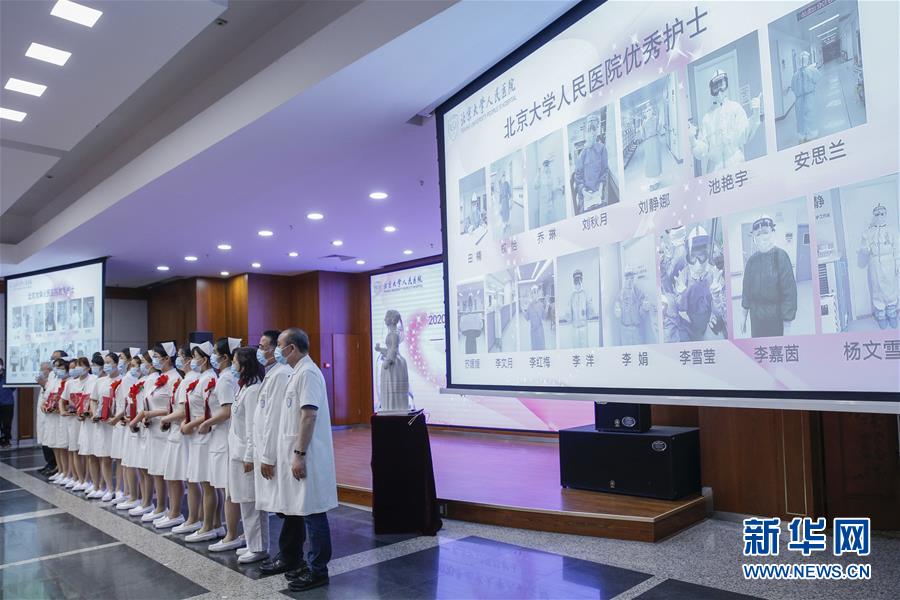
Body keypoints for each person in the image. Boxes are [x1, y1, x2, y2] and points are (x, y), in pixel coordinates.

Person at [272, 328, 338, 593]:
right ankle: (310, 565)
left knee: (313, 512)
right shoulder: (297, 372)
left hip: (307, 454)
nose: (277, 350)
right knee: (305, 510)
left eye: (279, 345)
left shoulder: (308, 372)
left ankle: (318, 570)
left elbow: (309, 415)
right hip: (299, 453)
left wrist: (299, 454)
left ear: (292, 348)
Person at [254, 330, 295, 575]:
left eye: (264, 346)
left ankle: (290, 556)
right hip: (269, 449)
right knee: (282, 506)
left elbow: (274, 419)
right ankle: (288, 554)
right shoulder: (272, 373)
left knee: (286, 507)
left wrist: (267, 456)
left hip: (278, 452)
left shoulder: (280, 375)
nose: (260, 351)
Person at [229, 346, 270, 564]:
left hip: (247, 454)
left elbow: (253, 427)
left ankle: (259, 547)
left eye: (235, 361)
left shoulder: (254, 390)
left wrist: (249, 455)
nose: (232, 365)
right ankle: (251, 543)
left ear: (244, 364)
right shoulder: (244, 388)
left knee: (251, 501)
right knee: (244, 500)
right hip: (237, 451)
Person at [182, 341, 224, 542]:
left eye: (195, 357)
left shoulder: (210, 379)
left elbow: (210, 410)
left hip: (204, 436)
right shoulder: (201, 378)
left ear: (205, 359)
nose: (192, 360)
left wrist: (191, 424)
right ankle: (215, 524)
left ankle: (208, 526)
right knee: (207, 482)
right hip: (198, 435)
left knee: (208, 484)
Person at [158, 344, 202, 532]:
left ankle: (186, 516)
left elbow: (183, 411)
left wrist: (165, 418)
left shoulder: (189, 379)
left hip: (182, 432)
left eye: (181, 356)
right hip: (177, 432)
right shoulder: (186, 379)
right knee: (174, 475)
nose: (179, 359)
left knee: (184, 477)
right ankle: (175, 513)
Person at [204, 337, 241, 552]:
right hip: (222, 437)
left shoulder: (226, 379)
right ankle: (226, 530)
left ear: (225, 357)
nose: (212, 357)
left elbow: (226, 412)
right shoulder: (228, 377)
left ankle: (231, 534)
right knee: (226, 488)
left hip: (224, 437)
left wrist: (205, 423)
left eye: (215, 353)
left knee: (229, 490)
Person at [140, 344, 182, 524]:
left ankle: (174, 511)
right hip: (154, 429)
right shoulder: (159, 378)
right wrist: (146, 416)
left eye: (156, 356)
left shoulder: (175, 379)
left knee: (169, 473)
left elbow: (176, 407)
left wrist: (153, 414)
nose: (154, 360)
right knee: (156, 470)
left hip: (166, 430)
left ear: (167, 358)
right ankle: (160, 507)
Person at [689, 69, 762, 174]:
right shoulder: (707, 118)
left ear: (726, 85)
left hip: (736, 164)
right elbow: (703, 150)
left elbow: (745, 134)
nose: (719, 90)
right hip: (714, 170)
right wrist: (693, 140)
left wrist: (756, 114)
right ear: (711, 90)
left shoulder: (735, 108)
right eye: (716, 86)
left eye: (722, 84)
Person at [741, 215, 798, 337]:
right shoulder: (752, 261)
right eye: (758, 234)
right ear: (754, 238)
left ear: (773, 232)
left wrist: (787, 325)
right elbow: (746, 290)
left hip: (775, 318)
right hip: (756, 319)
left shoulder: (781, 257)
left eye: (765, 232)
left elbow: (789, 293)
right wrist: (743, 315)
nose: (762, 237)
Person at [860, 203, 899, 329]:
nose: (879, 216)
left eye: (882, 213)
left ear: (885, 214)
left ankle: (892, 314)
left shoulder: (892, 230)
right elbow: (865, 251)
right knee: (877, 288)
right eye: (877, 214)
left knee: (890, 287)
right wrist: (864, 241)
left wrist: (897, 263)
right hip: (875, 262)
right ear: (874, 215)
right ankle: (881, 315)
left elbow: (897, 247)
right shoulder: (869, 232)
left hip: (889, 261)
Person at [93, 351, 121, 502]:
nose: (106, 365)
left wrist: (116, 417)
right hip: (103, 424)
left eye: (109, 362)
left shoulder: (123, 380)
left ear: (117, 363)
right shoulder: (100, 381)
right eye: (105, 363)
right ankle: (109, 489)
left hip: (117, 424)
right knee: (105, 457)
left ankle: (120, 489)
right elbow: (93, 400)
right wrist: (94, 413)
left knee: (119, 458)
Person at [374, 310, 410, 412]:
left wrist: (388, 361)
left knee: (393, 386)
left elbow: (393, 350)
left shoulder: (394, 335)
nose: (384, 319)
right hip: (393, 361)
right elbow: (390, 350)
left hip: (394, 363)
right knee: (391, 386)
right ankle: (390, 406)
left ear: (391, 319)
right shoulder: (392, 334)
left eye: (386, 317)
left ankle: (394, 406)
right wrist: (380, 349)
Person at [573, 113, 609, 212]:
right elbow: (578, 176)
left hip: (598, 192)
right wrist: (583, 191)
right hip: (586, 196)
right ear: (586, 133)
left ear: (597, 131)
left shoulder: (602, 149)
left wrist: (600, 189)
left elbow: (604, 171)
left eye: (594, 130)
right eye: (589, 130)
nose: (592, 134)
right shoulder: (583, 153)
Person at [790, 51, 822, 144]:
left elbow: (793, 88)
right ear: (807, 60)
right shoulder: (812, 70)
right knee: (810, 117)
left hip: (799, 101)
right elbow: (818, 79)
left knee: (800, 119)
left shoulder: (795, 75)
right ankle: (811, 138)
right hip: (809, 98)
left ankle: (802, 137)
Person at [615, 266, 651, 345]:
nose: (629, 280)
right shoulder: (621, 294)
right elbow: (617, 311)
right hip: (625, 329)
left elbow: (644, 310)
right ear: (624, 279)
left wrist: (644, 307)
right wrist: (617, 310)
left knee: (639, 350)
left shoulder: (638, 291)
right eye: (627, 278)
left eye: (631, 278)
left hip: (637, 329)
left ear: (633, 278)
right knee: (627, 350)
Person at [568, 270, 593, 348]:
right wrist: (569, 318)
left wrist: (589, 309)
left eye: (579, 280)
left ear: (581, 280)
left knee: (585, 347)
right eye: (576, 280)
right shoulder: (571, 295)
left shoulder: (585, 293)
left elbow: (590, 312)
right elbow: (568, 311)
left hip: (584, 327)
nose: (577, 283)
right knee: (576, 348)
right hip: (575, 327)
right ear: (573, 281)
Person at [525, 285, 547, 351]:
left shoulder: (540, 305)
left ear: (537, 294)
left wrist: (547, 306)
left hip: (540, 329)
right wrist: (523, 310)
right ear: (531, 295)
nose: (534, 295)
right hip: (533, 330)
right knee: (534, 347)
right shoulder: (529, 306)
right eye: (533, 293)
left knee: (541, 347)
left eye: (535, 292)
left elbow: (544, 317)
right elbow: (527, 318)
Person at [0, 359, 16, 447]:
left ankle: (6, 440)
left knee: (7, 423)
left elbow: (13, 387)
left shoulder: (8, 374)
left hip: (7, 402)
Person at [498, 169, 512, 236]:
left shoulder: (507, 183)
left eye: (504, 175)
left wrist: (511, 200)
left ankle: (507, 223)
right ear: (501, 177)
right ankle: (504, 225)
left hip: (507, 199)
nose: (503, 177)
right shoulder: (500, 185)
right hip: (503, 200)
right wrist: (499, 203)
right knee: (503, 212)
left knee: (507, 211)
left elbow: (509, 192)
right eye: (502, 176)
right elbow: (500, 194)